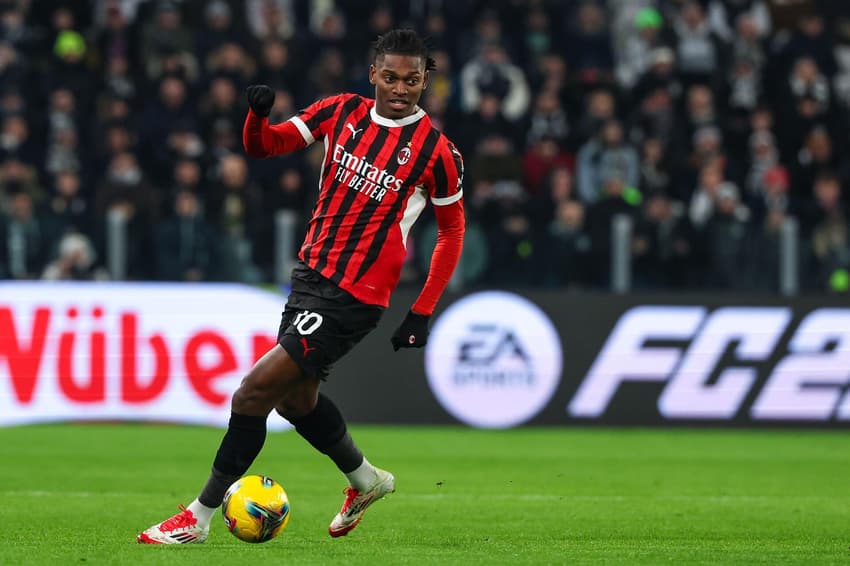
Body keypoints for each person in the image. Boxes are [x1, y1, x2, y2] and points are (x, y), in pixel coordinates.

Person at [137, 28, 465, 544]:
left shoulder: (437, 153)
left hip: (355, 296)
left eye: (413, 79)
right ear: (374, 73)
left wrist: (421, 310)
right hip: (311, 278)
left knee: (252, 393)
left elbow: (451, 232)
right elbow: (264, 146)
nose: (401, 88)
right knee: (295, 402)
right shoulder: (340, 112)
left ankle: (197, 518)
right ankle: (365, 479)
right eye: (392, 77)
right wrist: (257, 115)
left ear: (426, 81)